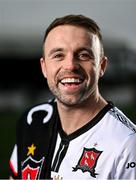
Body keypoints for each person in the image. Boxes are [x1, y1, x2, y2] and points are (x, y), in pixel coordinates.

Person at [9, 14, 136, 179]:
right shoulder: (32, 121)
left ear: (102, 66)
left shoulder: (127, 143)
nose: (70, 65)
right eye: (58, 55)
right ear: (44, 67)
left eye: (83, 55)